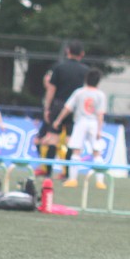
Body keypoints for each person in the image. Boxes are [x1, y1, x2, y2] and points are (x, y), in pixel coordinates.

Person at [37, 40, 90, 176]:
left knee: (53, 139)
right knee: (70, 140)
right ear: (82, 54)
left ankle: (47, 171)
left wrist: (47, 107)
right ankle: (67, 173)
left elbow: (51, 89)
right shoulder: (85, 71)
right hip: (76, 109)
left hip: (58, 105)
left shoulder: (59, 68)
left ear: (67, 51)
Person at [52, 68, 108, 189]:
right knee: (97, 152)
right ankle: (100, 181)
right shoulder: (100, 95)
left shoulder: (79, 92)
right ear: (98, 82)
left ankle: (73, 179)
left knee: (76, 151)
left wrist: (58, 120)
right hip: (93, 123)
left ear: (86, 80)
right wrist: (100, 130)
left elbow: (68, 108)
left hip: (80, 122)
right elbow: (100, 114)